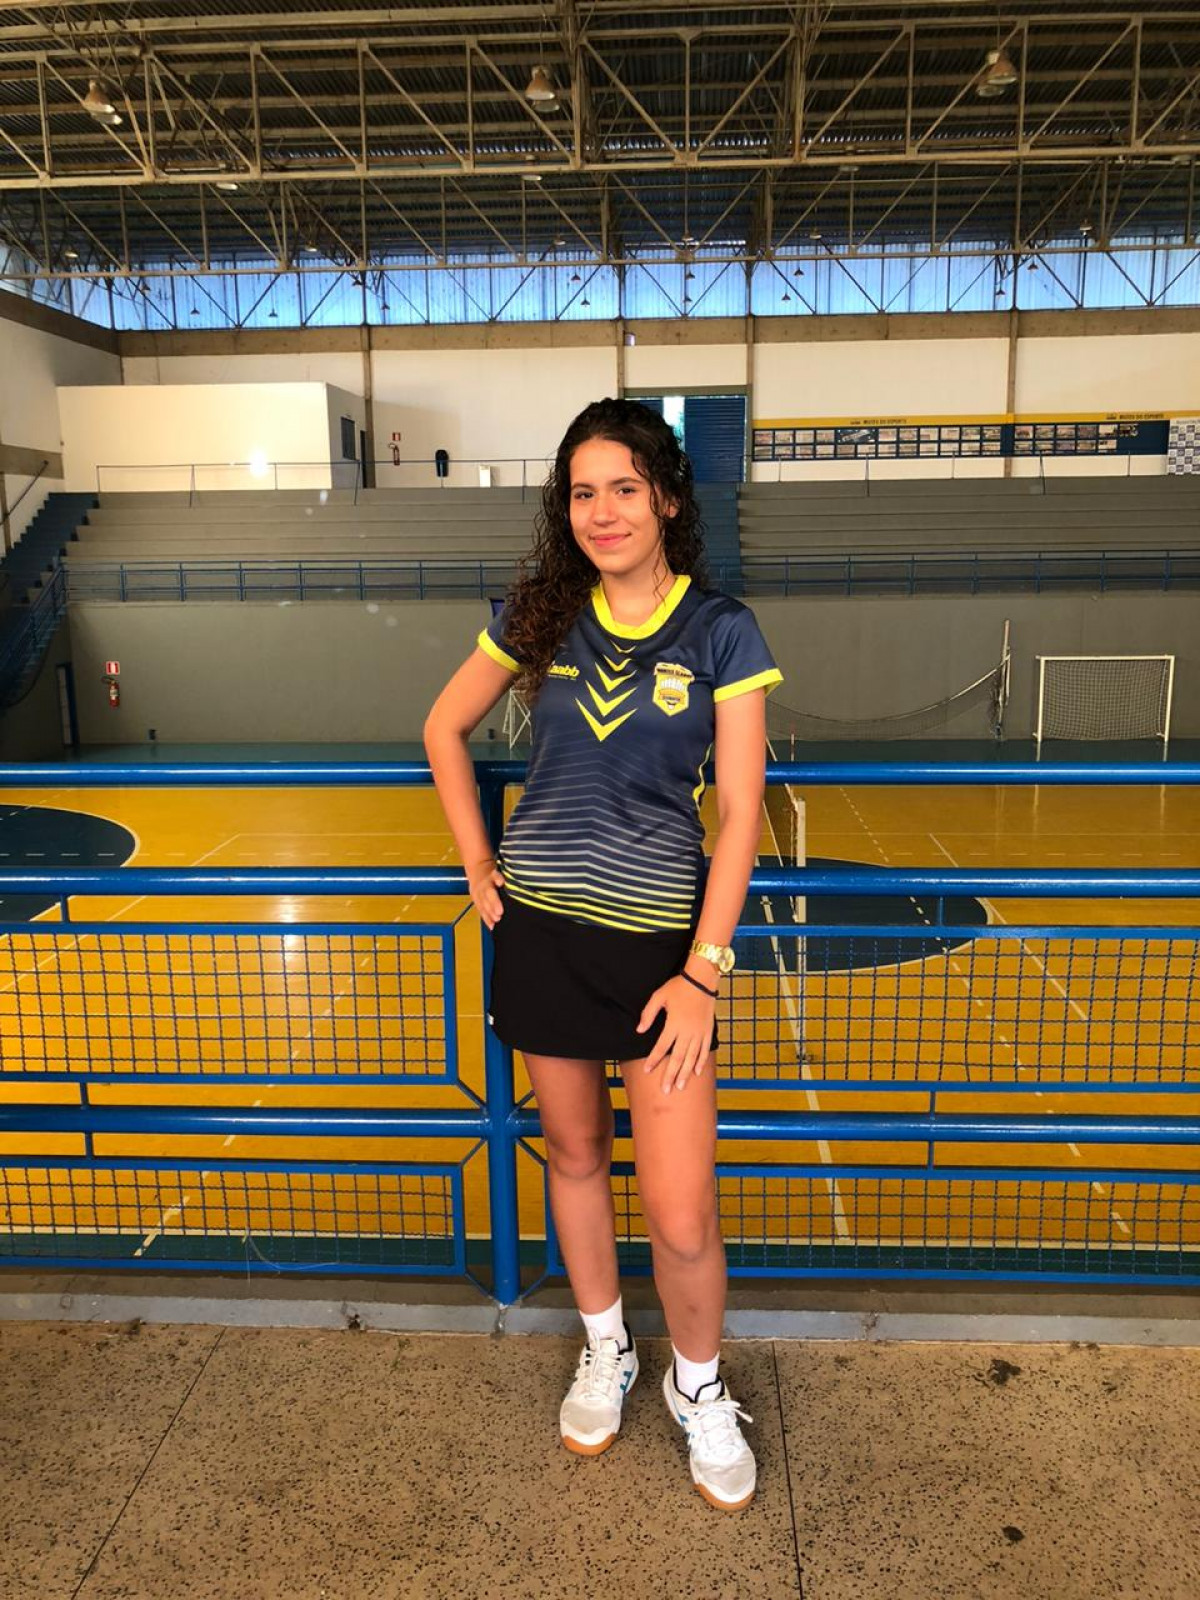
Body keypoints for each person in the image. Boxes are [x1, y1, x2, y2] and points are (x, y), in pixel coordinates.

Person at [424, 398, 782, 1512]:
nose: (602, 511)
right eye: (582, 492)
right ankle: (606, 1347)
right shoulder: (542, 615)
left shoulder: (721, 630)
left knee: (681, 1209)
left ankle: (698, 1384)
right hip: (540, 937)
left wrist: (705, 968)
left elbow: (742, 813)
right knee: (573, 1158)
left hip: (663, 962)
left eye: (624, 487)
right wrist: (479, 863)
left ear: (666, 498)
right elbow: (442, 728)